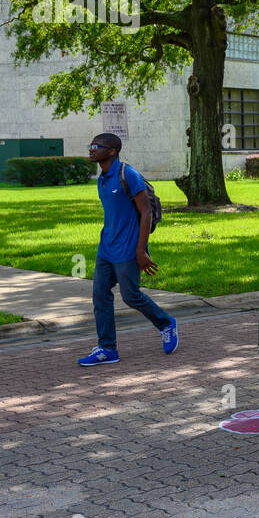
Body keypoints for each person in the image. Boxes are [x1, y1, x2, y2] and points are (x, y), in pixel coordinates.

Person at [78, 133, 178, 366]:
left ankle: (165, 323)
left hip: (128, 248)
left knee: (131, 296)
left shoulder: (128, 174)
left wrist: (141, 251)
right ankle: (107, 348)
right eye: (90, 146)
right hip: (106, 248)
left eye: (96, 146)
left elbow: (146, 212)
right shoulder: (102, 178)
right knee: (100, 295)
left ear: (112, 151)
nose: (91, 150)